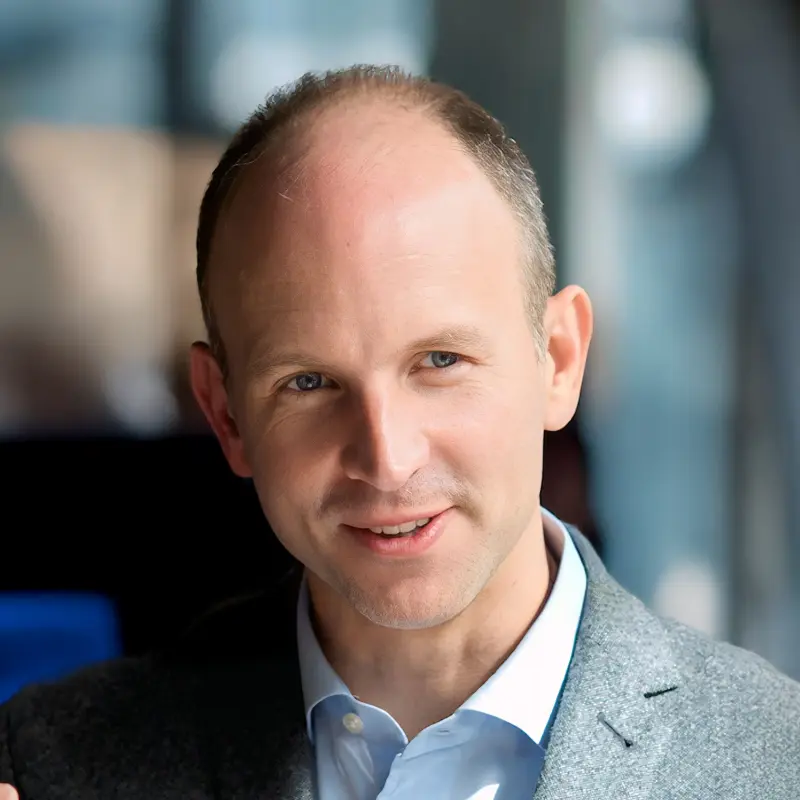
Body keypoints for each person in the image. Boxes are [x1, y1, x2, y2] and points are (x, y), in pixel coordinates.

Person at [1, 65, 799, 800]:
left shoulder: (777, 763)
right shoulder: (55, 767)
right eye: (309, 383)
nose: (387, 459)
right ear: (226, 414)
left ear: (558, 360)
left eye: (440, 361)